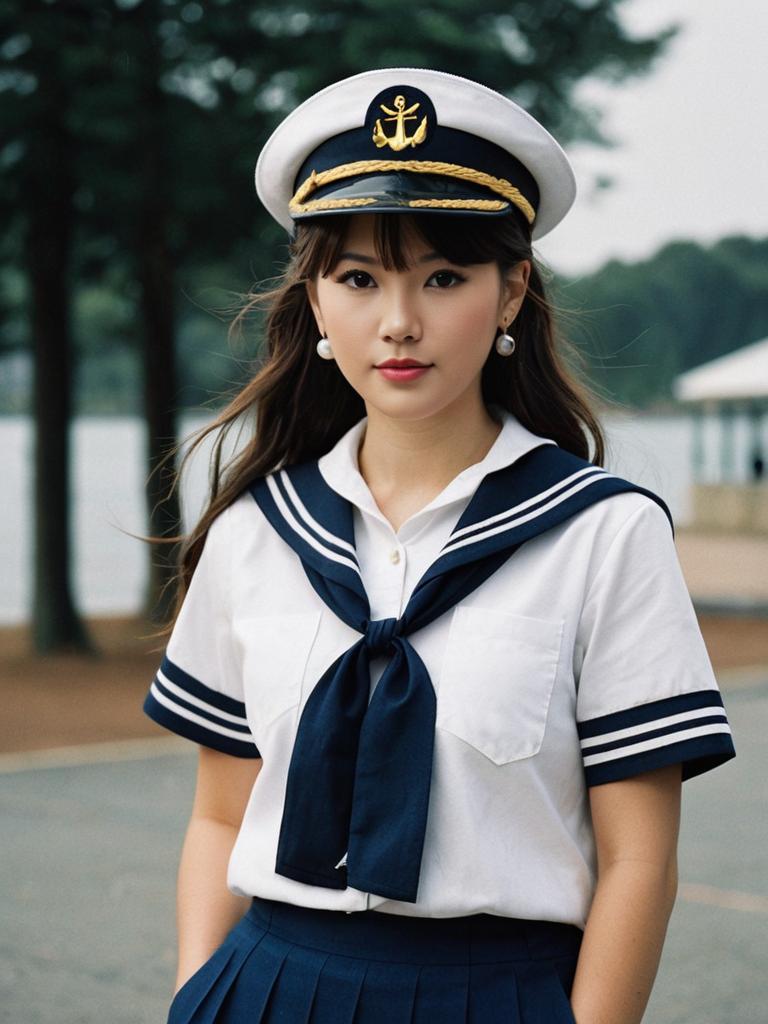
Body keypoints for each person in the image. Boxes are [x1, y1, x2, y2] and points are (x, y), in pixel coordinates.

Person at [142, 68, 736, 1024]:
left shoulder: (602, 532)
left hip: (498, 993)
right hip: (268, 985)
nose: (400, 322)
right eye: (360, 279)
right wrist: (197, 994)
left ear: (511, 295)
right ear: (319, 304)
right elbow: (219, 816)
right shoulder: (258, 530)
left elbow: (640, 858)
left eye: (445, 276)